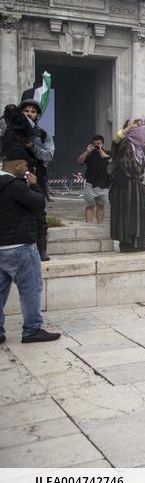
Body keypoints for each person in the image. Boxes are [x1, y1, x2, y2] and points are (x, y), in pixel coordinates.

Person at [0, 143, 61, 343]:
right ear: (17, 165)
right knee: (30, 289)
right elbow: (39, 203)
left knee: (1, 291)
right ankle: (32, 329)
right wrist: (34, 185)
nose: (27, 169)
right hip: (20, 247)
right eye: (25, 165)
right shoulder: (16, 186)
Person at [1, 101, 54, 260]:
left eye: (33, 111)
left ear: (37, 115)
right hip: (11, 178)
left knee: (39, 214)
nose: (29, 113)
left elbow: (48, 156)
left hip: (35, 176)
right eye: (26, 110)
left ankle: (41, 251)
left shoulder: (43, 134)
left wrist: (32, 145)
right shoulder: (7, 131)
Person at [109, 119, 145, 252]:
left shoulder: (139, 146)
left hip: (135, 184)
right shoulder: (124, 142)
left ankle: (139, 242)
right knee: (126, 214)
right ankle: (126, 244)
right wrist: (129, 128)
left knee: (139, 212)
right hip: (123, 185)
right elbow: (115, 140)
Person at [77, 135, 111, 224]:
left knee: (101, 206)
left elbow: (108, 160)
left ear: (103, 143)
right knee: (90, 206)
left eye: (98, 143)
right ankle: (88, 225)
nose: (96, 145)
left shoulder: (107, 152)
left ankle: (100, 225)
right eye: (95, 144)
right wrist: (86, 152)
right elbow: (79, 161)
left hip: (104, 184)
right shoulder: (89, 154)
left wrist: (100, 150)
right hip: (90, 184)